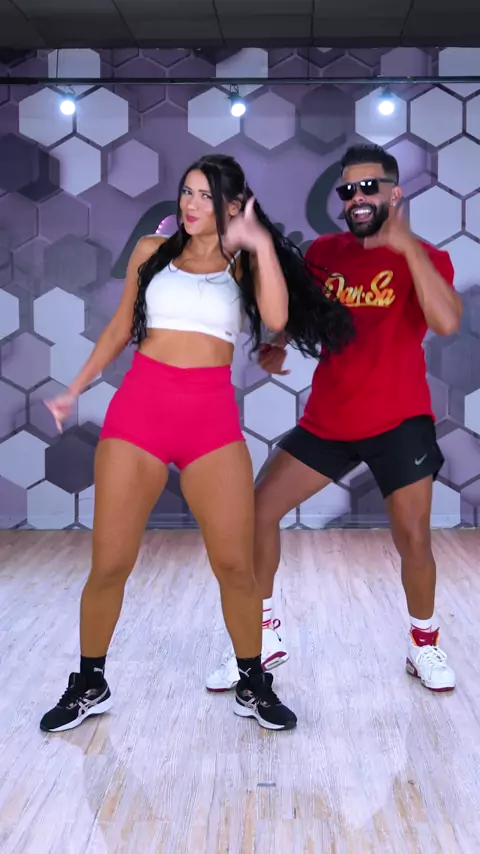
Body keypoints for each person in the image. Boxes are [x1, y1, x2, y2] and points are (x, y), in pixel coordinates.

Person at [39, 153, 354, 734]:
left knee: (234, 564)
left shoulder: (244, 263)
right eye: (187, 191)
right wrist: (73, 390)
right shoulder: (150, 252)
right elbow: (119, 328)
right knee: (110, 563)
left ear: (232, 206)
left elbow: (277, 315)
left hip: (209, 422)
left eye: (206, 196)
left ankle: (252, 681)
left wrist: (258, 242)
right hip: (138, 414)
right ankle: (89, 683)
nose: (190, 204)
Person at [207, 143, 463, 695]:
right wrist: (278, 342)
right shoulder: (325, 251)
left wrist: (406, 247)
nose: (357, 197)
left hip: (399, 421)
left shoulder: (427, 257)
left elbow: (445, 321)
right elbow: (304, 310)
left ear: (395, 193)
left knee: (413, 536)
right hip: (329, 420)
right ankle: (263, 637)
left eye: (369, 187)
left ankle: (424, 645)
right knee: (257, 512)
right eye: (348, 190)